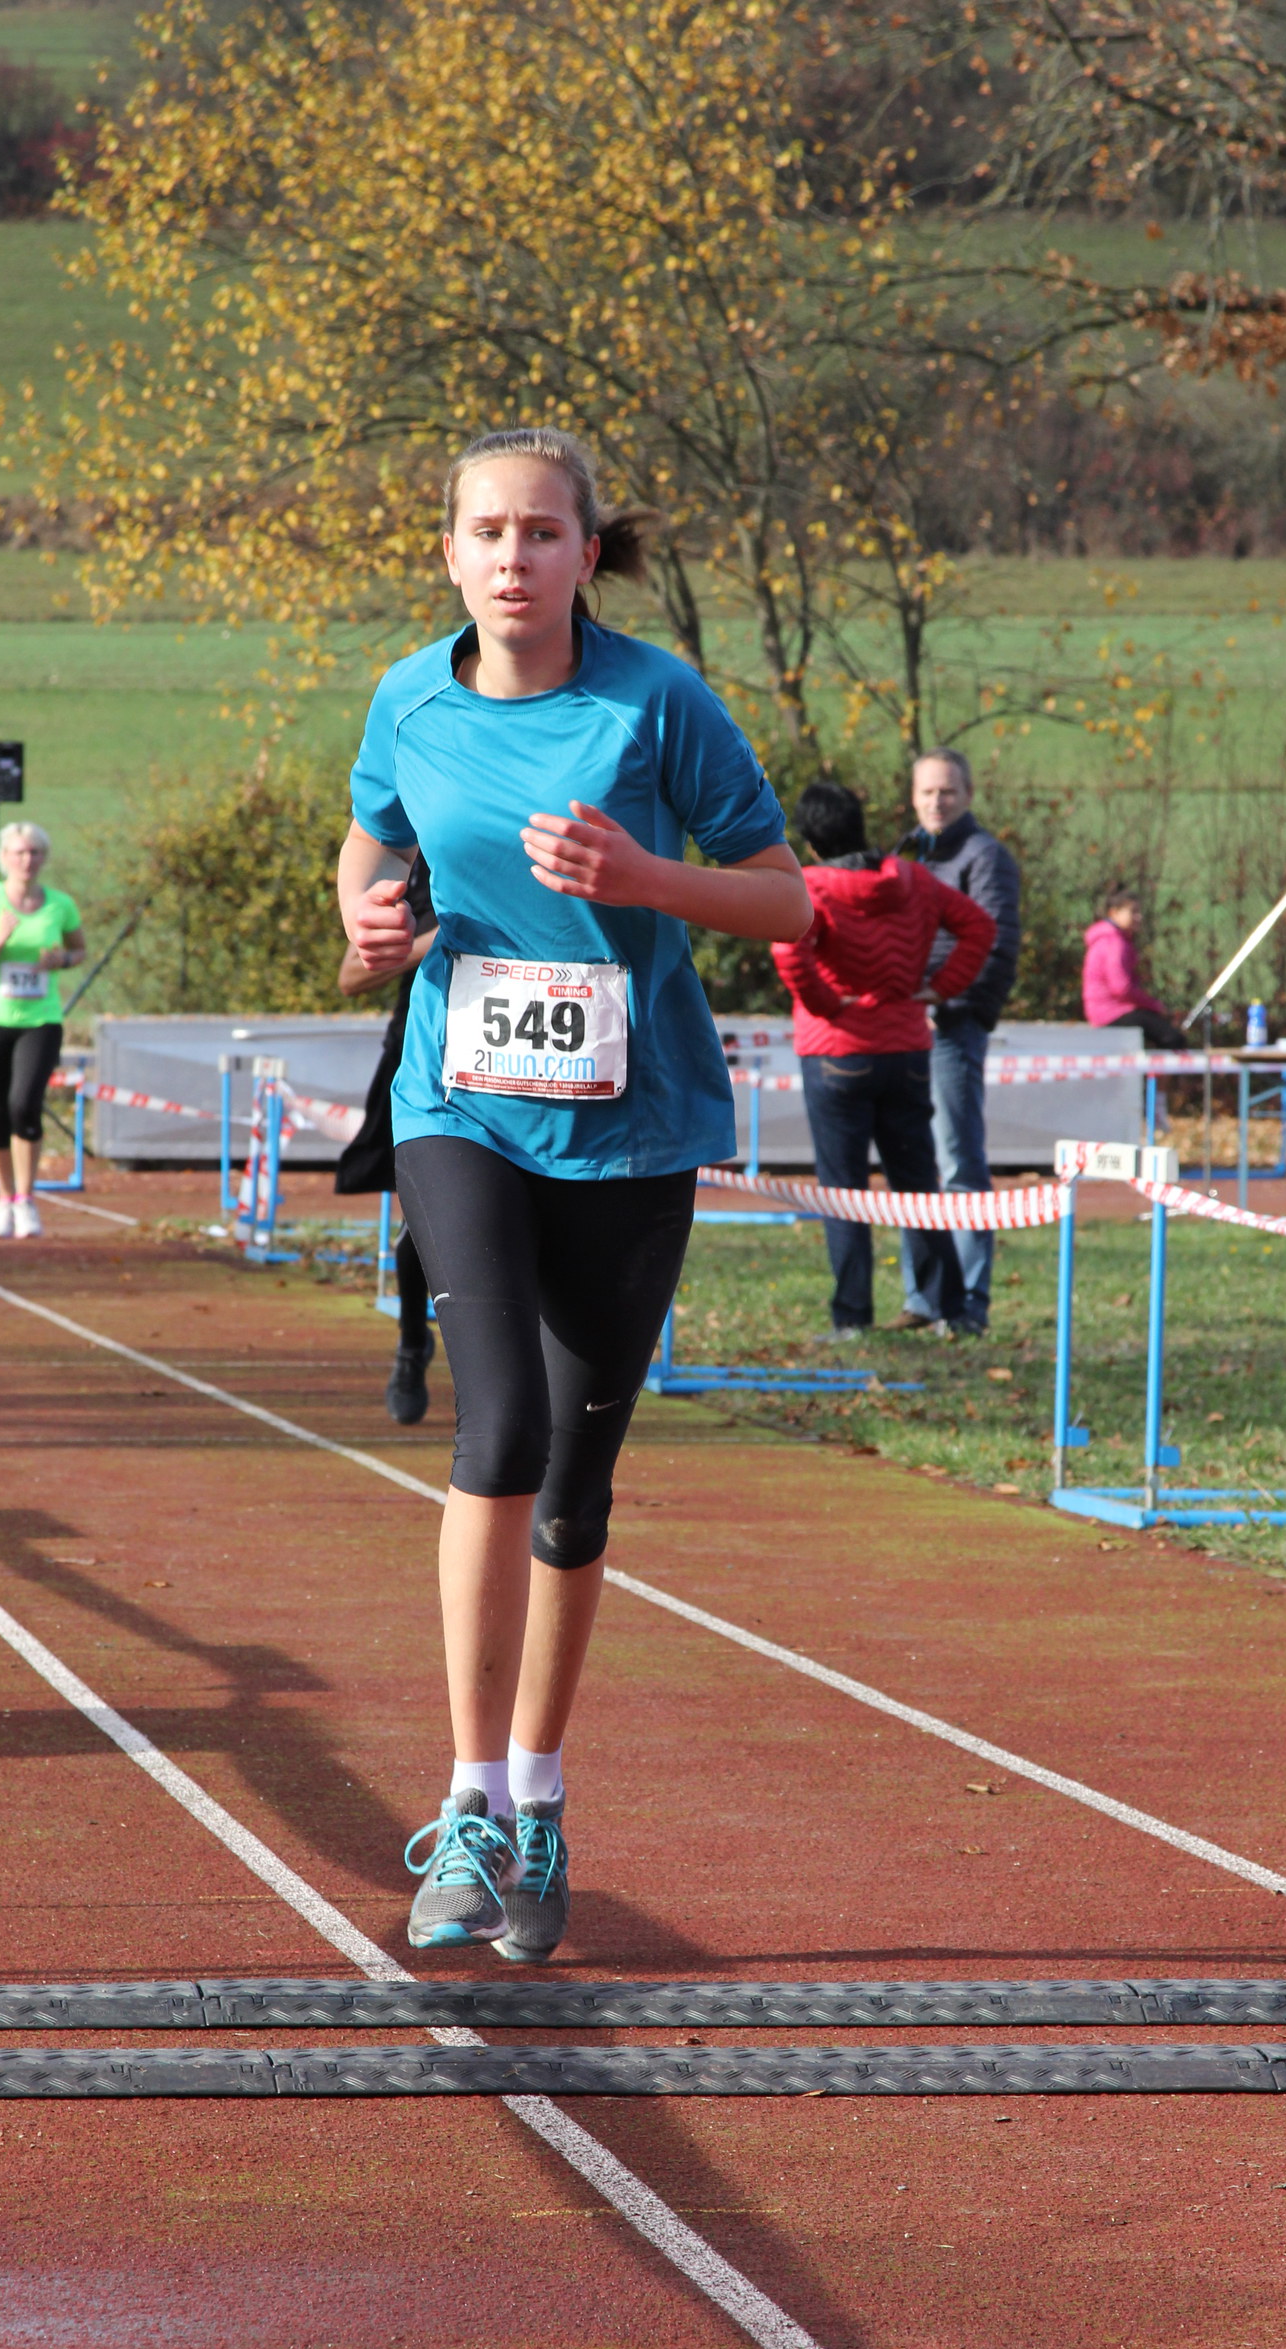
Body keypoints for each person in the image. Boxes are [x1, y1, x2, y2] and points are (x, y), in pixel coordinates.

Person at [338, 425, 809, 1962]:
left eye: (543, 533)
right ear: (450, 552)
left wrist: (647, 880)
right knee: (500, 1430)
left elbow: (790, 900)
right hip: (459, 1105)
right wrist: (369, 929)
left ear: (587, 554)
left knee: (575, 1489)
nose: (514, 558)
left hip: (633, 1126)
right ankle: (470, 1801)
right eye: (487, 532)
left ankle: (539, 1795)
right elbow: (367, 850)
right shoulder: (408, 700)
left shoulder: (657, 702)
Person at [771, 780, 995, 1339]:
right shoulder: (914, 880)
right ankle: (945, 1308)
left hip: (836, 1051)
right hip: (906, 1048)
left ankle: (852, 1318)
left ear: (811, 842)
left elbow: (788, 951)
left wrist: (828, 1005)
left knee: (843, 1190)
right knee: (917, 1185)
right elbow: (979, 927)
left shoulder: (811, 886)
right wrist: (941, 988)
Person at [906, 746, 1022, 1335]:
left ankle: (969, 1304)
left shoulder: (986, 857)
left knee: (958, 1162)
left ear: (968, 795)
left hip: (952, 1029)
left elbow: (996, 946)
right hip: (901, 1030)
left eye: (947, 791)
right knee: (913, 1167)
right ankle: (924, 1299)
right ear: (913, 797)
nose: (937, 802)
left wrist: (947, 1004)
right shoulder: (905, 855)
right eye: (927, 791)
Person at [334, 856, 440, 1423]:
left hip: (519, 1066)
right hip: (421, 1059)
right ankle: (411, 1342)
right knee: (420, 1219)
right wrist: (437, 942)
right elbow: (350, 977)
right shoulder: (408, 877)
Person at [0, 822, 86, 1239]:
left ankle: (26, 1199)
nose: (27, 860)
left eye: (34, 852)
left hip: (41, 1021)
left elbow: (79, 950)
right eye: (19, 853)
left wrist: (61, 961)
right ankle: (4, 1199)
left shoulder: (60, 905)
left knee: (25, 1104)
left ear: (44, 858)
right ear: (4, 858)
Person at [1082, 885, 1188, 1051]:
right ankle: (1160, 1068)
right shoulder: (1114, 943)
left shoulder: (1112, 940)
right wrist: (1155, 1006)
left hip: (1104, 1011)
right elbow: (1121, 988)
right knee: (1173, 1038)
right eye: (1133, 912)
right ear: (1114, 913)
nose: (1139, 917)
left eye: (1139, 912)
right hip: (1111, 1012)